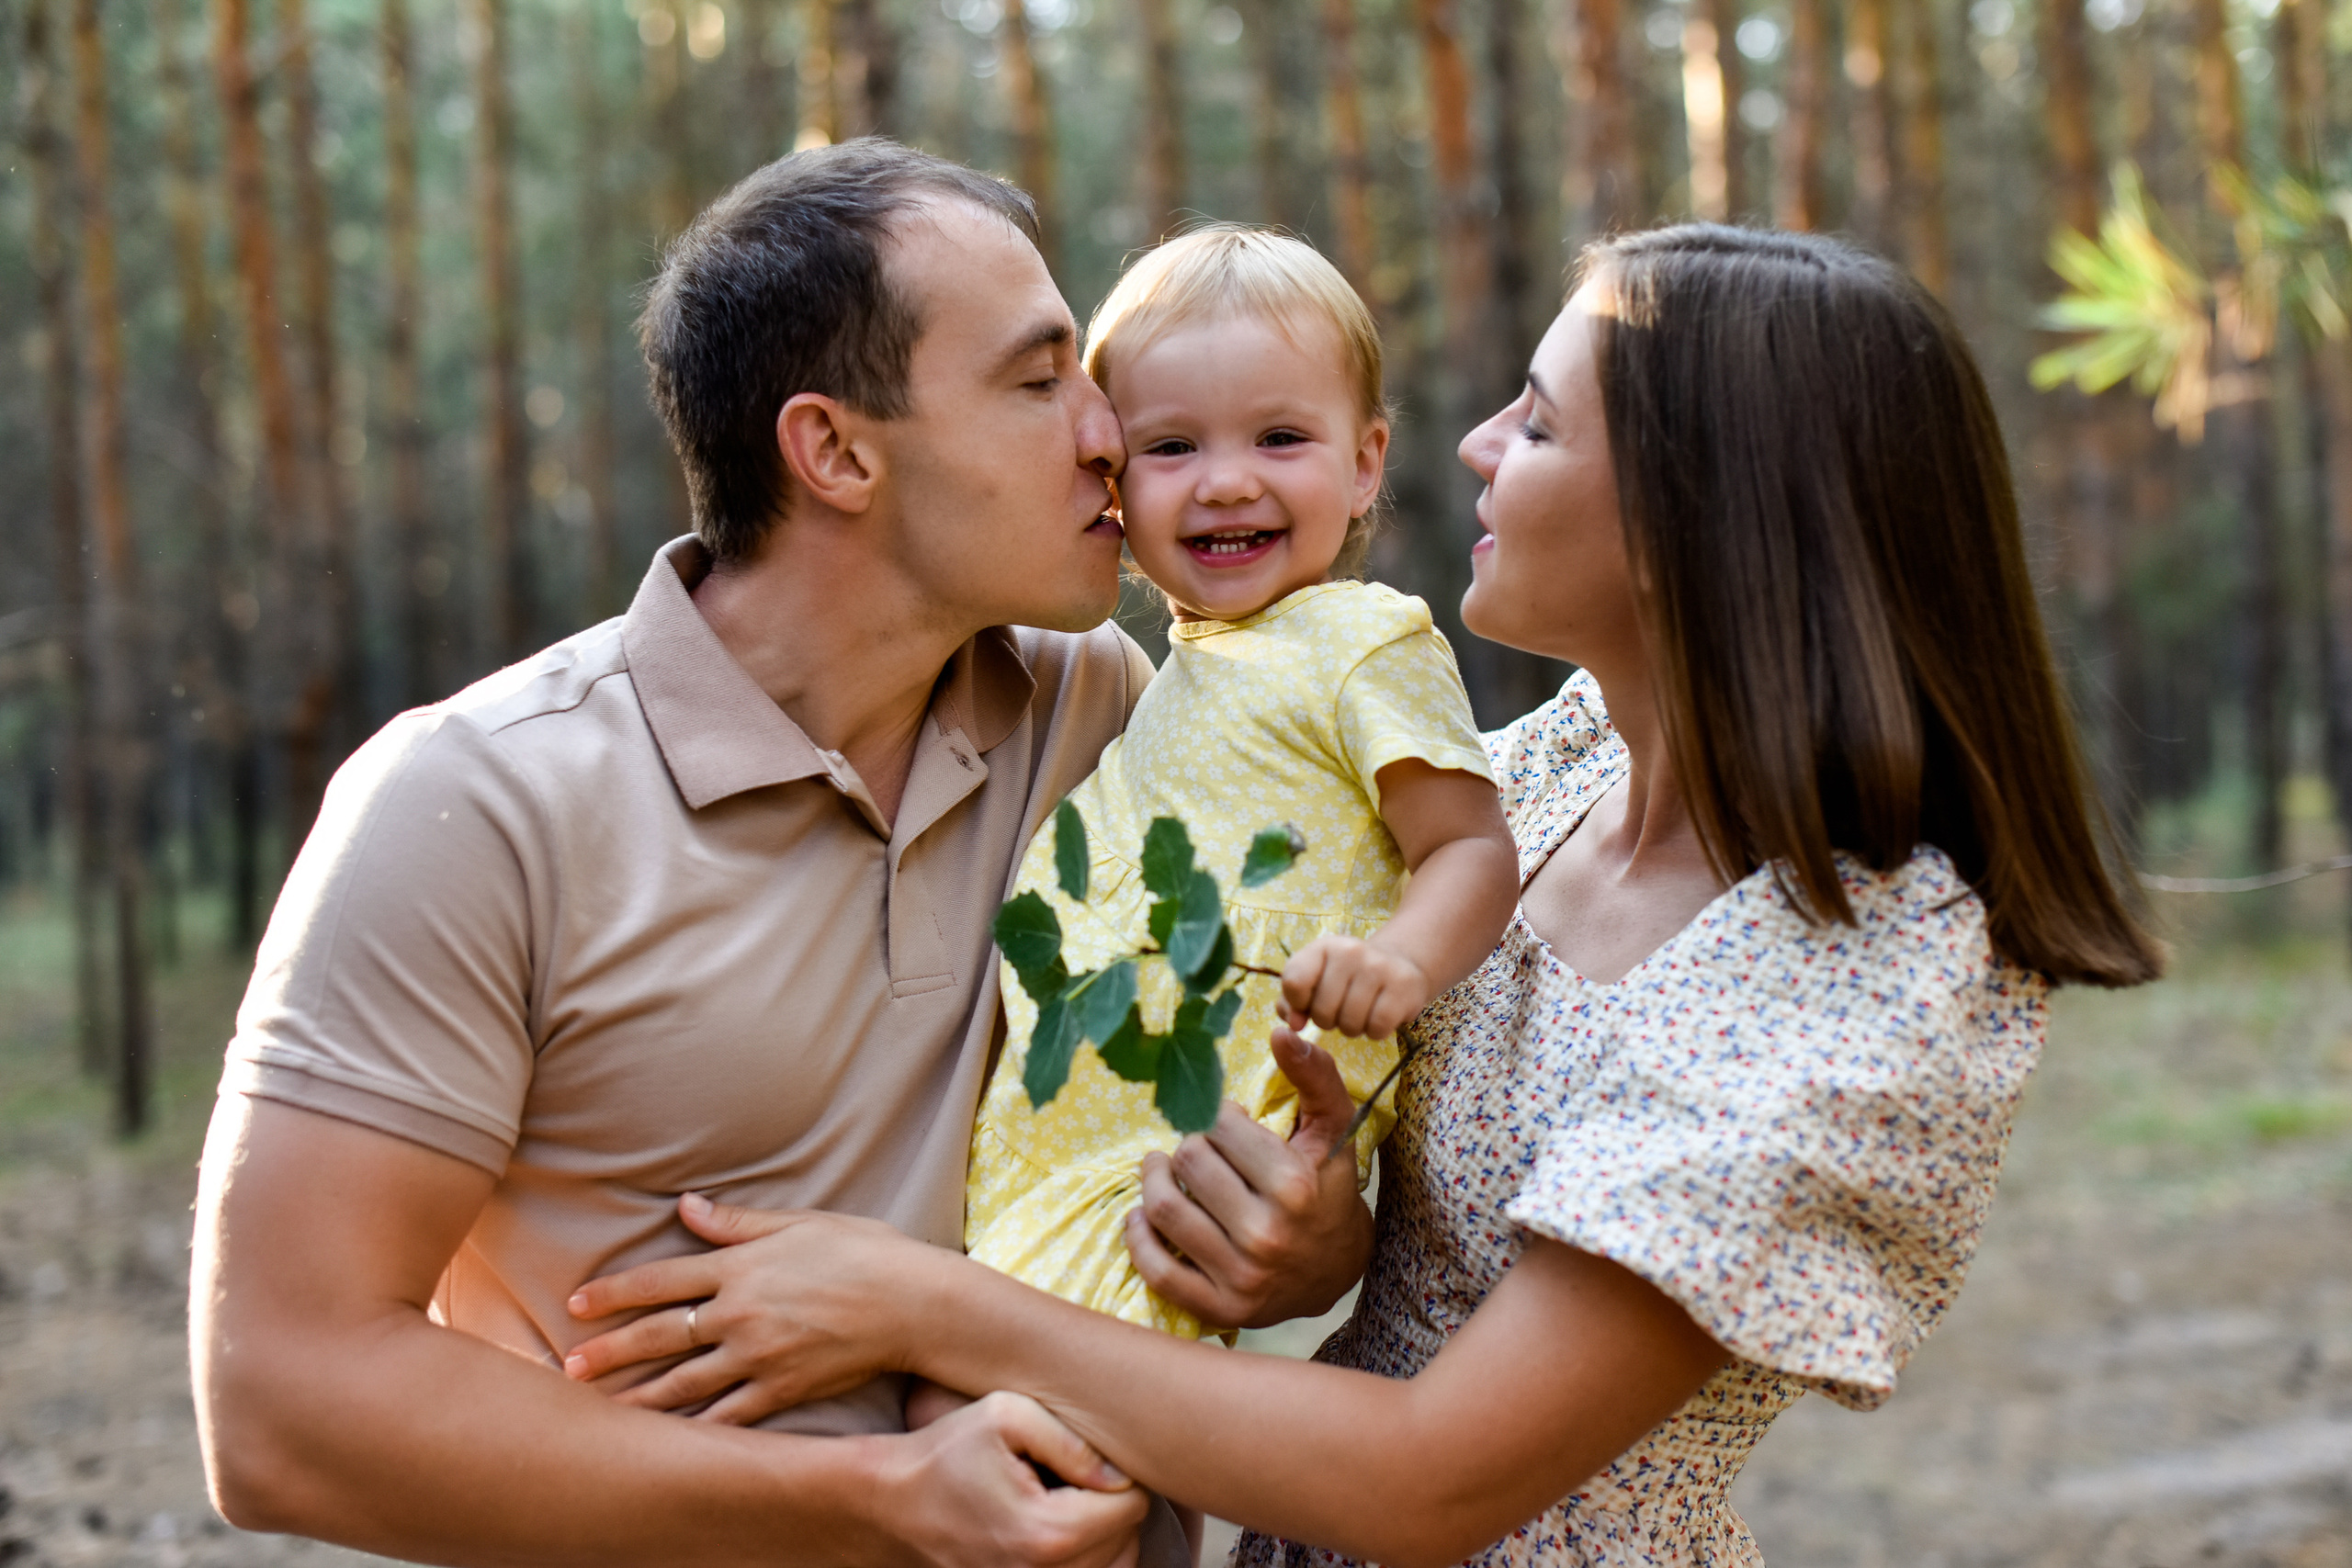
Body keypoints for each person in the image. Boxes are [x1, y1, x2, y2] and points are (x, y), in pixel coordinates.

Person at [558, 225, 2166, 1567]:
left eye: (1535, 424)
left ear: (1699, 513)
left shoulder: (1852, 977)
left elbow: (1438, 1476)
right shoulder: (1550, 771)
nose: (1473, 445)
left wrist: (919, 1305)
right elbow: (1436, 1232)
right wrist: (1313, 1241)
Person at [188, 141, 1363, 1568]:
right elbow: (279, 1406)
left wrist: (1308, 1238)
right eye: (1039, 376)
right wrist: (880, 1497)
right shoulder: (478, 802)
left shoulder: (1113, 711)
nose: (1110, 429)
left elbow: (1247, 1137)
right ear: (837, 451)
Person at [956, 227, 1516, 1350]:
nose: (1224, 481)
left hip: (1195, 1168)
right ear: (1112, 484)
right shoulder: (1160, 681)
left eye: (1278, 437)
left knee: (1058, 1444)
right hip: (1053, 1147)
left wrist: (1402, 960)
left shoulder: (1362, 640)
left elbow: (1469, 847)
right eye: (1170, 447)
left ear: (1364, 464)